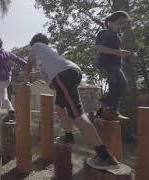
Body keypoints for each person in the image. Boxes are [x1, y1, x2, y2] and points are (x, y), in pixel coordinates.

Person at [26, 33, 118, 170]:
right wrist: (33, 75)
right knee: (59, 108)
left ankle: (104, 156)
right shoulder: (48, 56)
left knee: (76, 114)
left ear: (34, 43)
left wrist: (27, 76)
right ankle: (69, 136)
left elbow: (29, 63)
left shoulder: (37, 46)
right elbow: (42, 73)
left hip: (64, 75)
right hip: (67, 73)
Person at [95, 11, 132, 121]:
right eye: (119, 23)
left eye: (124, 24)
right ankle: (110, 109)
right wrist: (120, 53)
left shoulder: (116, 35)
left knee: (115, 85)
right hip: (107, 63)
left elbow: (113, 49)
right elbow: (100, 48)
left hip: (114, 64)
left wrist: (122, 54)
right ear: (110, 22)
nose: (121, 26)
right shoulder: (104, 32)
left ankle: (106, 109)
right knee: (121, 83)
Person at [0, 39, 27, 121]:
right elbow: (18, 59)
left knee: (3, 96)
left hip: (0, 78)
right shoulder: (9, 53)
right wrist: (26, 64)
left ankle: (11, 111)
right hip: (8, 78)